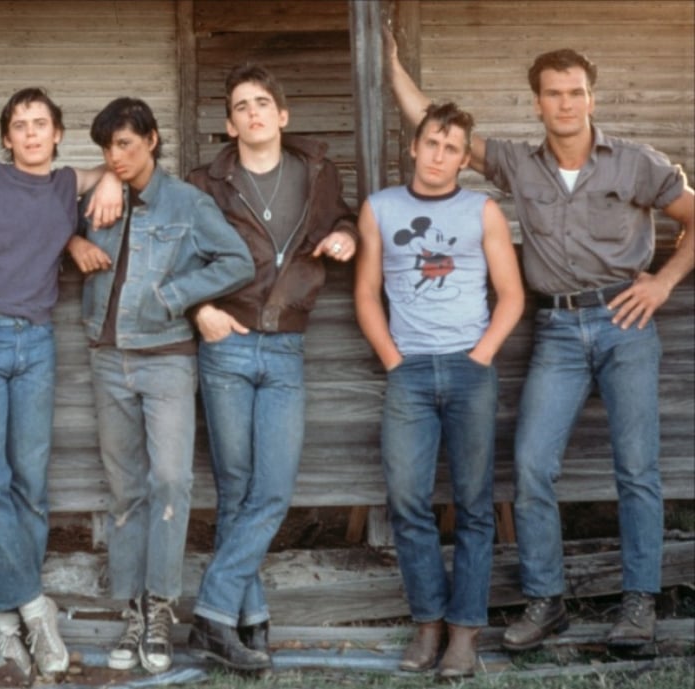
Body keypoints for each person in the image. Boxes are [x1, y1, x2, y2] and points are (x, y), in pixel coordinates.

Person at [387, 33, 695, 651]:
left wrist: (662, 282)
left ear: (591, 97)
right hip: (555, 330)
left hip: (625, 323)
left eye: (576, 93)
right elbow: (436, 126)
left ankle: (639, 606)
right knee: (531, 466)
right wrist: (390, 64)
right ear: (536, 103)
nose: (566, 104)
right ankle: (546, 599)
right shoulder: (516, 162)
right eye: (553, 94)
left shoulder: (635, 162)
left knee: (637, 470)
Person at [0, 87, 121, 680]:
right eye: (19, 125)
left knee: (31, 484)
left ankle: (6, 622)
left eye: (41, 124)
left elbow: (128, 163)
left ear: (58, 133)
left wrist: (109, 179)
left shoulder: (67, 182)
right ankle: (34, 608)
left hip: (36, 344)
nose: (31, 133)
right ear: (6, 137)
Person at [183, 63, 359, 673]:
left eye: (263, 102)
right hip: (226, 343)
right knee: (236, 489)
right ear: (229, 124)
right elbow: (176, 254)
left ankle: (211, 614)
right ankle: (248, 621)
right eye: (241, 105)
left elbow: (342, 217)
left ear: (282, 115)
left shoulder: (316, 172)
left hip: (285, 346)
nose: (253, 112)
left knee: (273, 488)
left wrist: (347, 236)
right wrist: (199, 306)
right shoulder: (206, 183)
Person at [69, 97, 254, 674]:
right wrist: (74, 241)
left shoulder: (188, 202)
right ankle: (131, 611)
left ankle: (160, 611)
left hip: (167, 358)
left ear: (151, 139)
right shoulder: (99, 196)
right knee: (126, 493)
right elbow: (48, 227)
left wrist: (177, 297)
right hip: (108, 359)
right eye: (106, 148)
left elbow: (238, 261)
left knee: (171, 483)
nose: (115, 157)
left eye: (125, 143)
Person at [356, 102, 525, 678]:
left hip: (468, 370)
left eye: (452, 148)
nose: (439, 155)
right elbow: (365, 293)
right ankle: (428, 623)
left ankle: (465, 632)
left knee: (476, 503)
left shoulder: (483, 210)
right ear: (414, 145)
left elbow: (511, 296)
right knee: (407, 500)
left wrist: (480, 356)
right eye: (431, 142)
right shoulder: (380, 208)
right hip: (409, 374)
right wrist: (393, 361)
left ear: (463, 156)